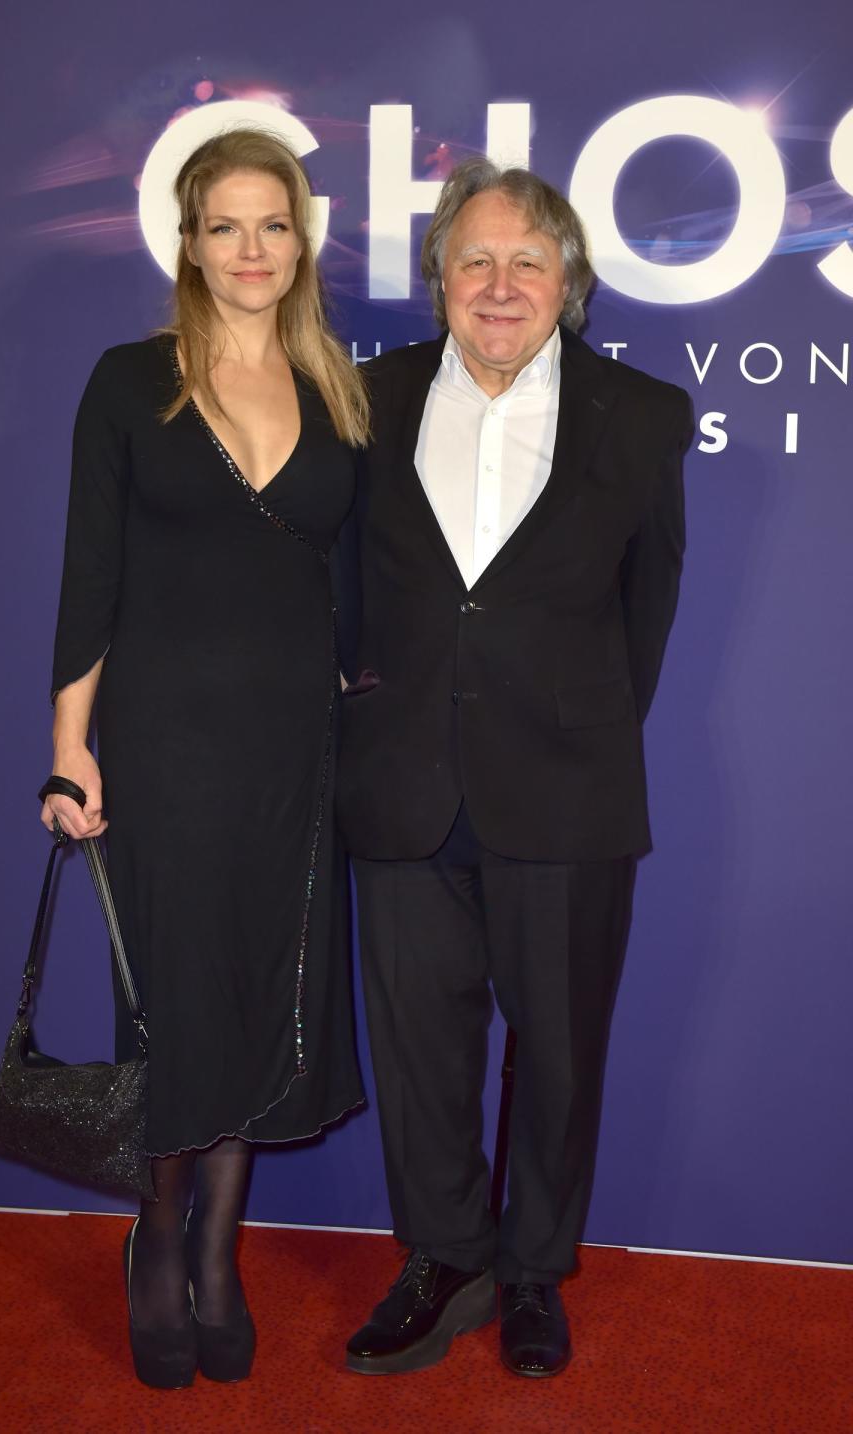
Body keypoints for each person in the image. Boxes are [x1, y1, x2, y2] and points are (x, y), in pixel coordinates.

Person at [337, 158, 692, 1379]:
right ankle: (445, 1259)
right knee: (420, 1047)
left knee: (561, 1049)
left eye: (527, 263)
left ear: (570, 283)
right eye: (475, 260)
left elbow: (649, 614)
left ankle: (536, 1268)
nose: (500, 286)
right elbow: (340, 597)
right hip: (399, 782)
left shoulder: (640, 418)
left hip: (568, 783)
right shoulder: (362, 401)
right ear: (439, 278)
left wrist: (573, 727)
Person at [41, 127, 368, 1389]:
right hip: (166, 744)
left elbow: (356, 583)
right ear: (187, 239)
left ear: (303, 240)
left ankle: (221, 1255)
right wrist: (71, 747)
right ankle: (156, 1244)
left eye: (272, 225)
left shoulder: (342, 387)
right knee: (174, 1003)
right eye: (225, 225)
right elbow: (90, 577)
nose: (251, 249)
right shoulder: (132, 382)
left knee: (262, 991)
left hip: (297, 748)